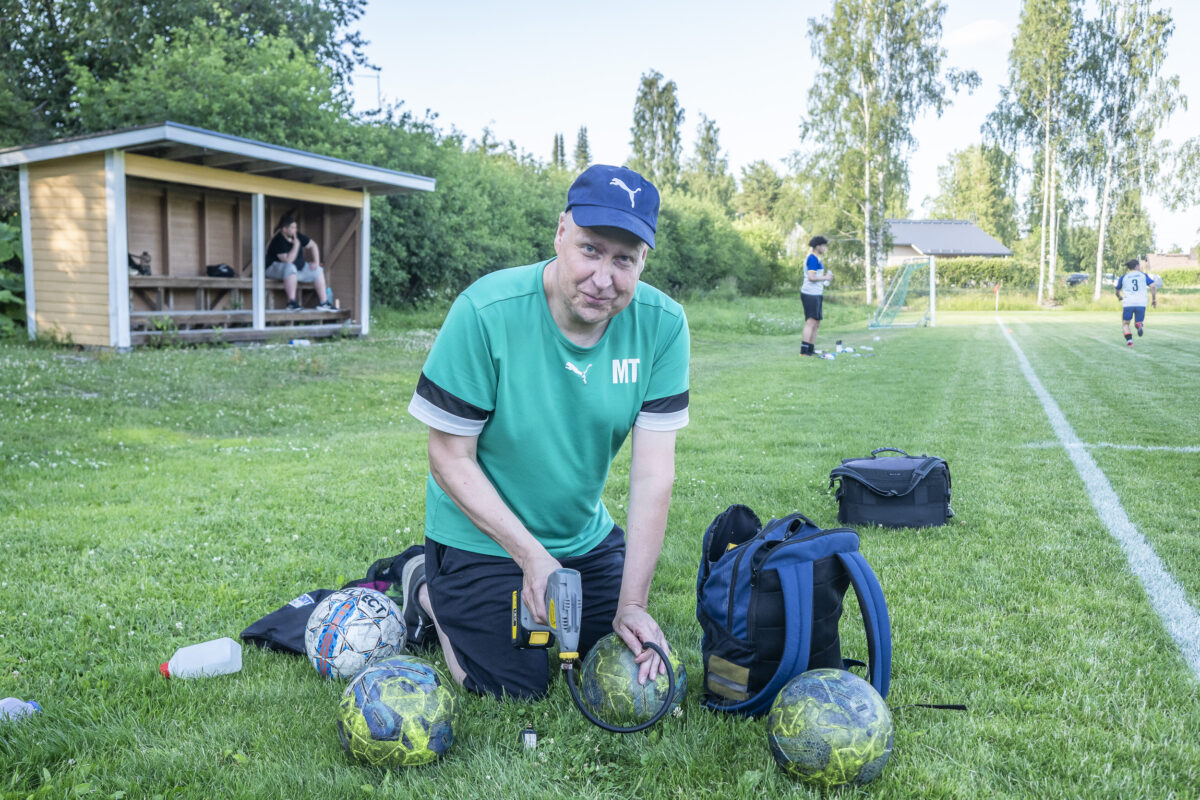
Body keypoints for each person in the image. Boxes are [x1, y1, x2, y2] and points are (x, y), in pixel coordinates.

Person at [402, 164, 690, 701]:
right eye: (591, 249)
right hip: (481, 538)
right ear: (561, 231)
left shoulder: (663, 324)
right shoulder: (485, 311)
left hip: (583, 538)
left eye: (624, 259)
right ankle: (424, 586)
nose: (604, 278)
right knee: (514, 684)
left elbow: (654, 475)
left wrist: (634, 604)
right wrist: (531, 557)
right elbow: (448, 457)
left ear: (643, 260)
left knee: (609, 650)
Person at [265, 215, 335, 311]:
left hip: (294, 272)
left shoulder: (297, 236)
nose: (295, 230)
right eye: (292, 228)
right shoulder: (278, 240)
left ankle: (324, 303)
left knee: (318, 270)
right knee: (290, 267)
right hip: (273, 270)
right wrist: (296, 245)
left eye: (295, 227)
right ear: (284, 229)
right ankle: (291, 303)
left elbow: (313, 245)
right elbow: (289, 260)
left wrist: (316, 262)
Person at [800, 235, 833, 356]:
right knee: (811, 322)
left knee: (817, 323)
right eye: (824, 246)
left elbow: (816, 277)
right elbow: (811, 277)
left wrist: (825, 280)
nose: (825, 248)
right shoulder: (812, 259)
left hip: (817, 293)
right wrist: (826, 277)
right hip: (810, 294)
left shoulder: (817, 259)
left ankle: (810, 349)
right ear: (817, 246)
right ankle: (804, 351)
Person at [1115, 258, 1156, 347]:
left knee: (1125, 323)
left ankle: (1130, 341)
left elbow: (1117, 290)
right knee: (1138, 321)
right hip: (1141, 303)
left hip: (1128, 303)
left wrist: (1119, 297)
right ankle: (1139, 325)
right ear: (1137, 266)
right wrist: (1154, 300)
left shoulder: (1124, 277)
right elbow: (1153, 286)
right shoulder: (1143, 275)